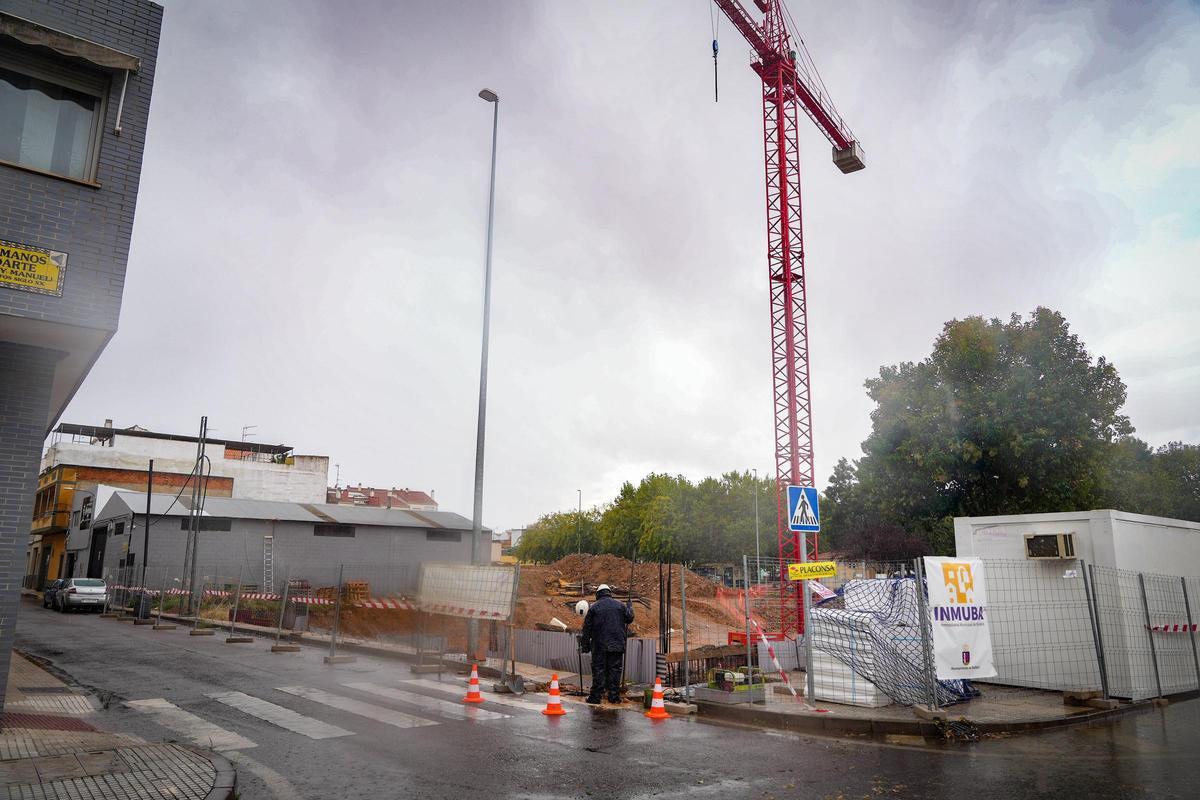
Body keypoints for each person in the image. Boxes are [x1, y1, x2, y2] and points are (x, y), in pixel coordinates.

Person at [579, 583, 634, 704]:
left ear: (598, 594)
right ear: (609, 593)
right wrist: (630, 606)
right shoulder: (620, 606)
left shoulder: (594, 608)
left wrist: (585, 646)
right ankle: (614, 697)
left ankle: (596, 697)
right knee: (615, 670)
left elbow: (587, 629)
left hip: (599, 645)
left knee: (599, 670)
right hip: (617, 644)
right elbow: (629, 618)